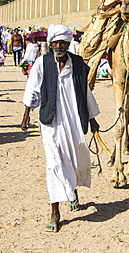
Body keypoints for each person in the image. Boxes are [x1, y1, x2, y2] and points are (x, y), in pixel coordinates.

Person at [21, 24, 100, 233]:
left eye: (62, 42)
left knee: (73, 160)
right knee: (54, 163)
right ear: (50, 43)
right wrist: (27, 112)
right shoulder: (42, 63)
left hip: (74, 122)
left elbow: (86, 92)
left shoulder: (78, 65)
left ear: (68, 43)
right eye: (55, 42)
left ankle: (71, 192)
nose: (58, 46)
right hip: (51, 123)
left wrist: (92, 119)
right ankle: (55, 212)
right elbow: (33, 88)